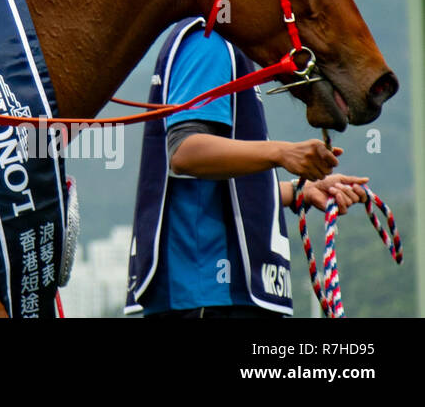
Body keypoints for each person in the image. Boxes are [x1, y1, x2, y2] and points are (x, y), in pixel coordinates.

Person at [125, 17, 370, 317]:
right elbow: (185, 151)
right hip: (208, 294)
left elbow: (225, 185)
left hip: (222, 295)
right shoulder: (210, 42)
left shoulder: (227, 48)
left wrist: (299, 192)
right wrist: (282, 152)